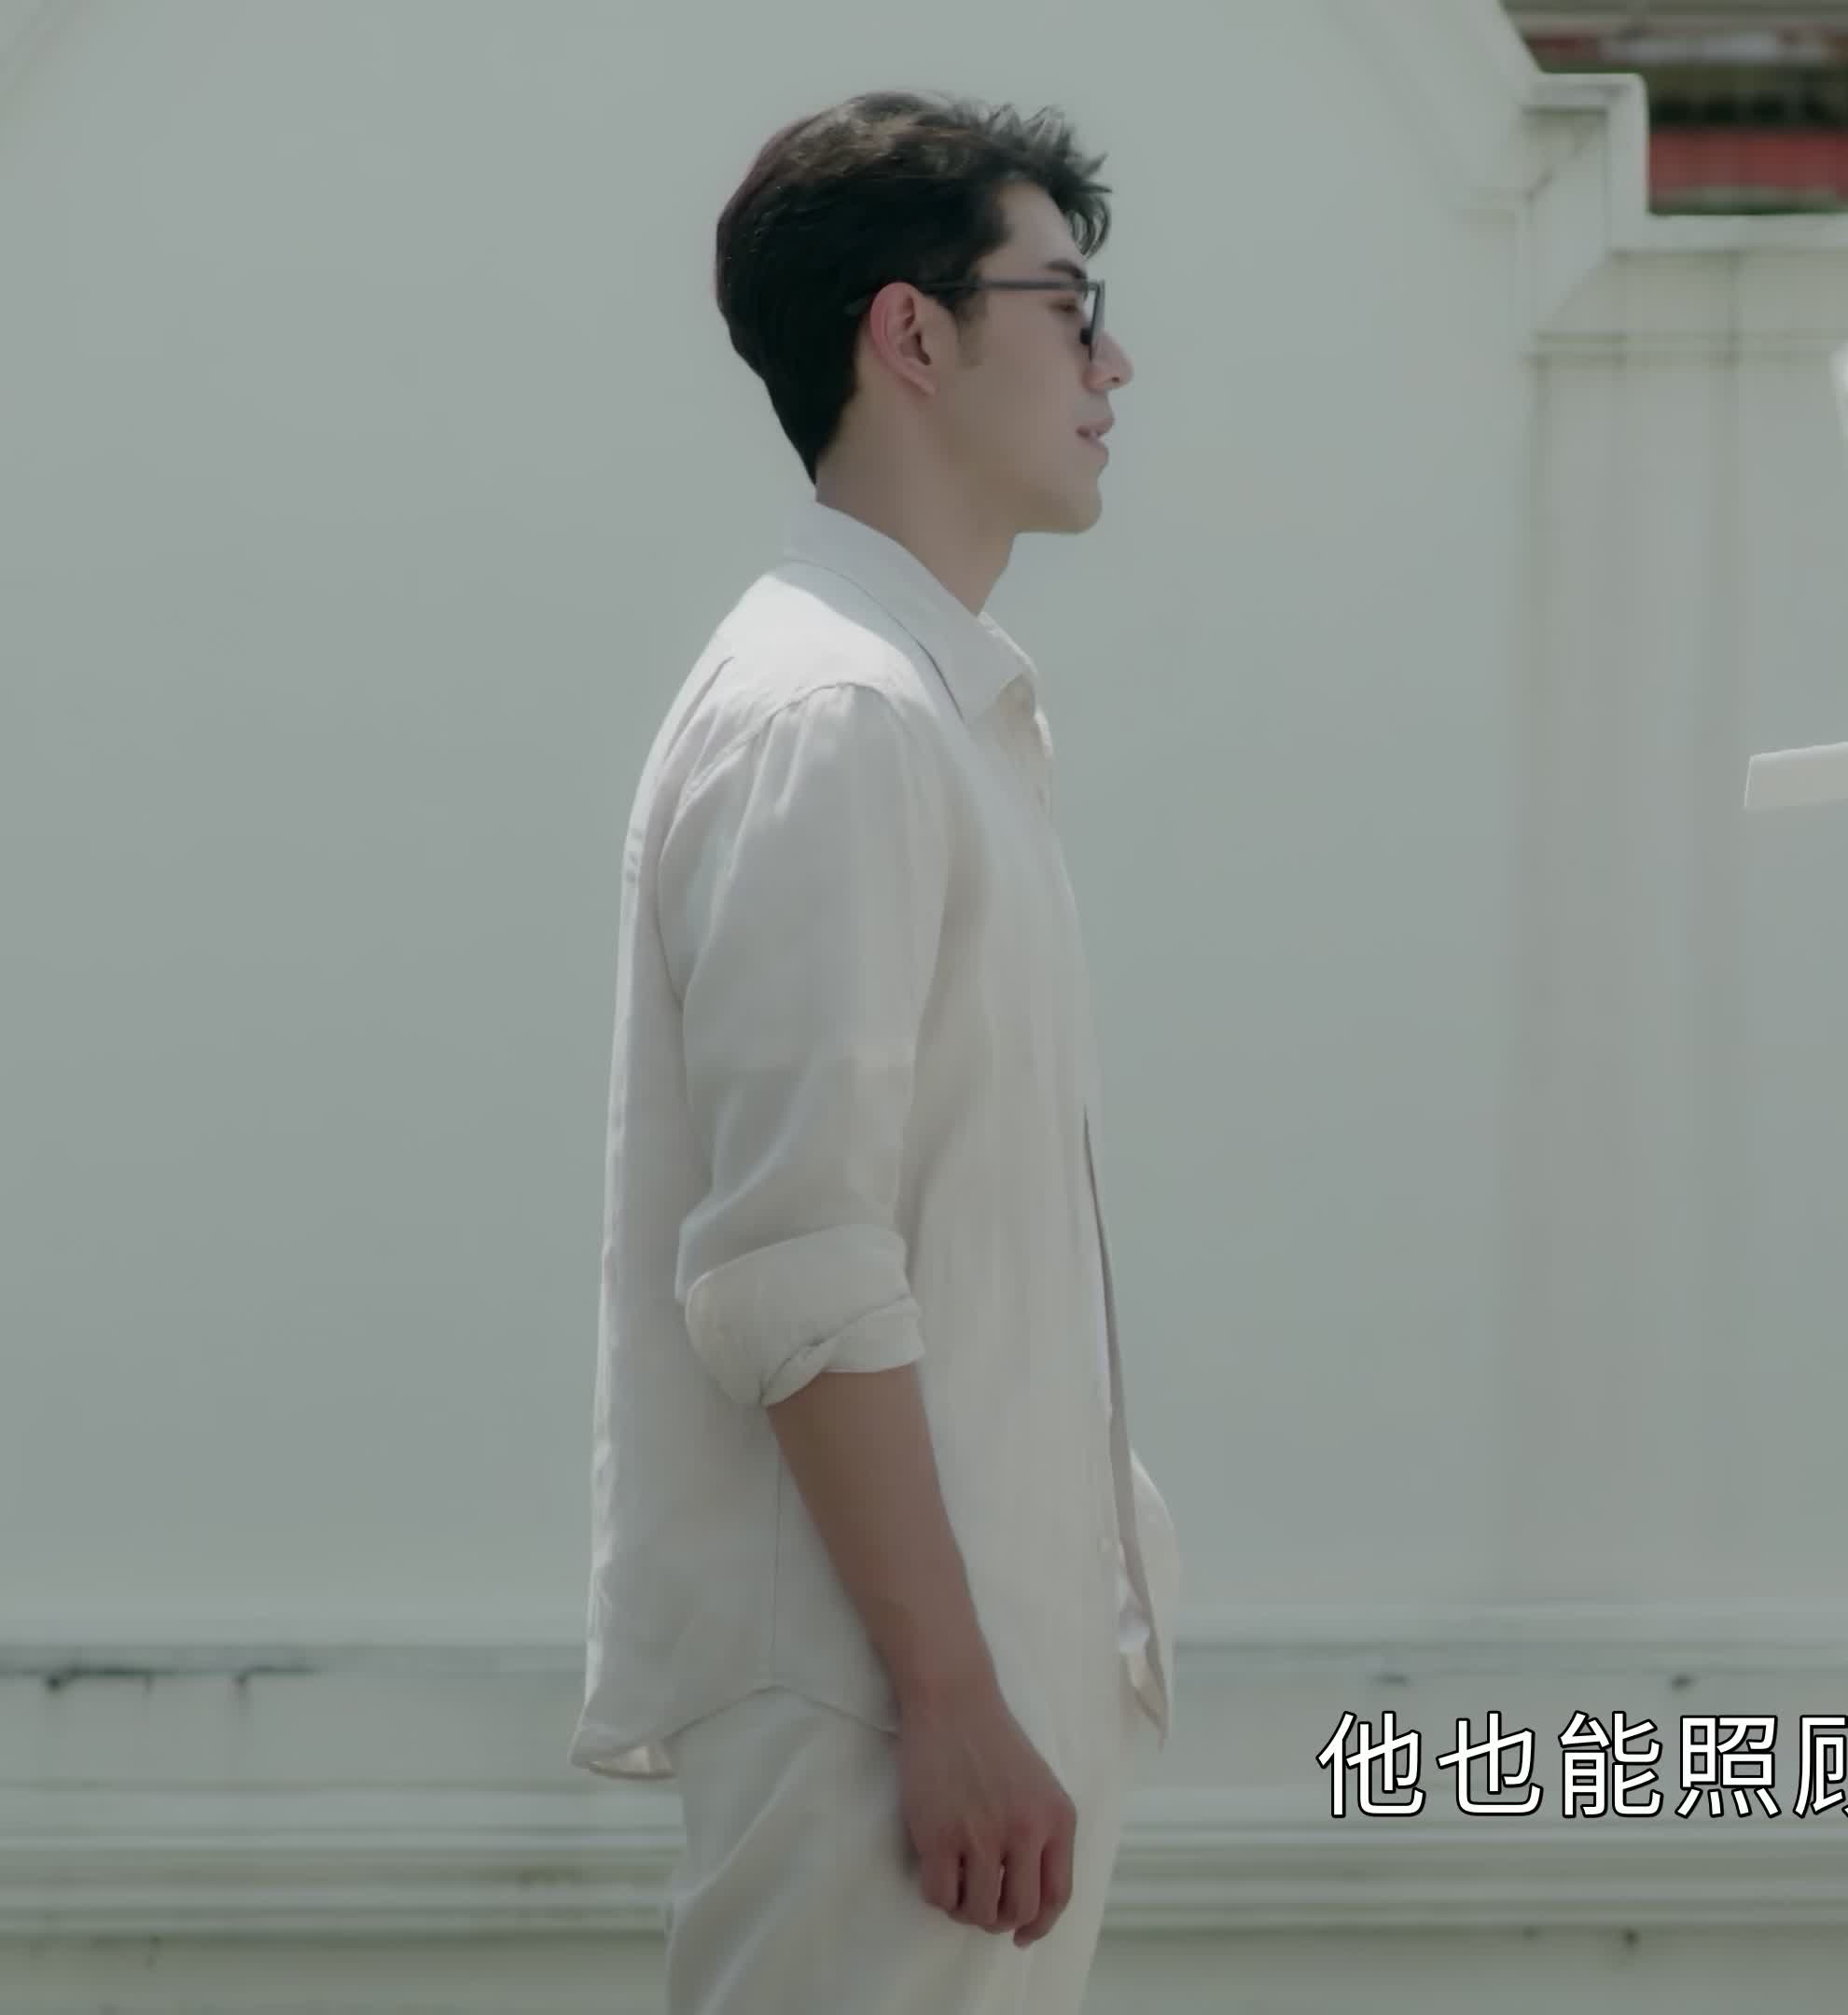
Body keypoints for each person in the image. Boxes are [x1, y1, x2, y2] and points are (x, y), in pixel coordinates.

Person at [574, 89, 1178, 2014]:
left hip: (959, 1715)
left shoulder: (923, 707)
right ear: (911, 334)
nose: (1113, 365)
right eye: (1068, 307)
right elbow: (794, 1263)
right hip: (889, 1729)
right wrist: (951, 1694)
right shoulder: (832, 714)